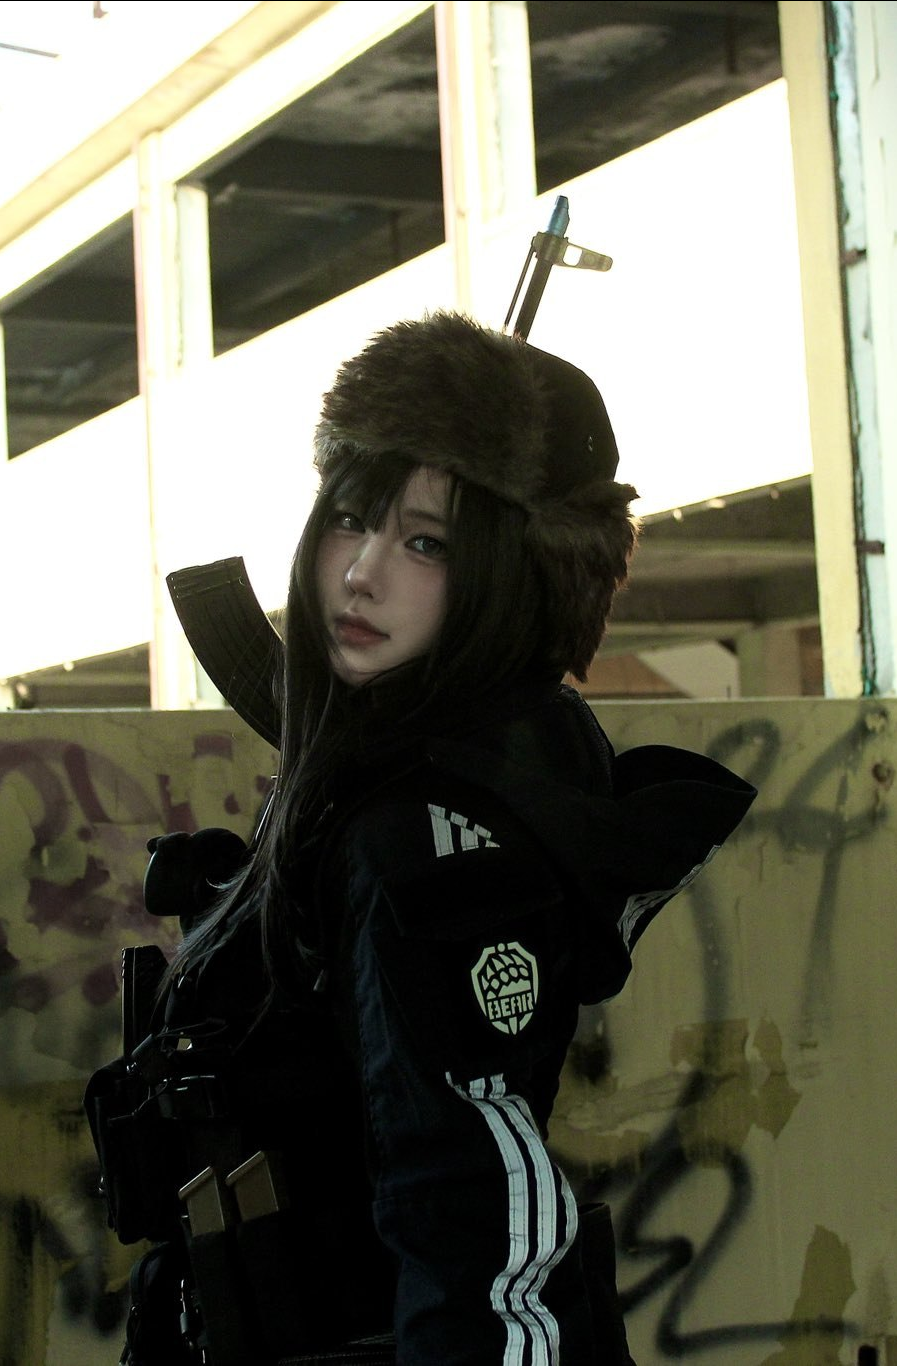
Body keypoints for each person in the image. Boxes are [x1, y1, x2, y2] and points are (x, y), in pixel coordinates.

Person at [87, 311, 755, 1365]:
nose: (362, 572)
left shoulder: (425, 845)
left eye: (427, 542)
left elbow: (480, 1226)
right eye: (352, 518)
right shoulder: (376, 784)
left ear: (515, 576)